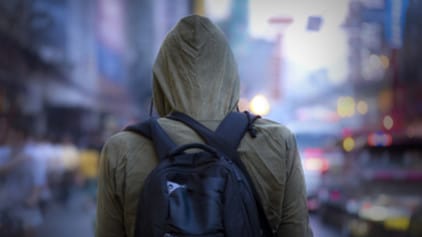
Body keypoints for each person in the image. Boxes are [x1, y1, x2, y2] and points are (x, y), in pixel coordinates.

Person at [96, 15, 313, 237]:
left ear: (161, 77)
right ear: (229, 73)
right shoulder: (277, 141)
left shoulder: (121, 149)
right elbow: (296, 231)